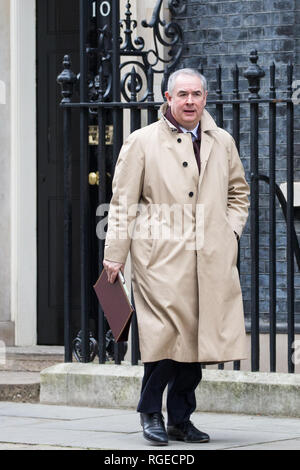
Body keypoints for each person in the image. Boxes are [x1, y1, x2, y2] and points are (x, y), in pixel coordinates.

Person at [103, 68, 250, 446]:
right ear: (167, 99)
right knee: (166, 336)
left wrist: (229, 231)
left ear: (205, 98)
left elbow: (239, 193)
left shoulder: (223, 141)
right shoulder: (141, 142)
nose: (190, 101)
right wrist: (115, 255)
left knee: (197, 340)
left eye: (196, 94)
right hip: (159, 259)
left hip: (211, 257)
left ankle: (181, 419)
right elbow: (122, 204)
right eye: (182, 94)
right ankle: (151, 412)